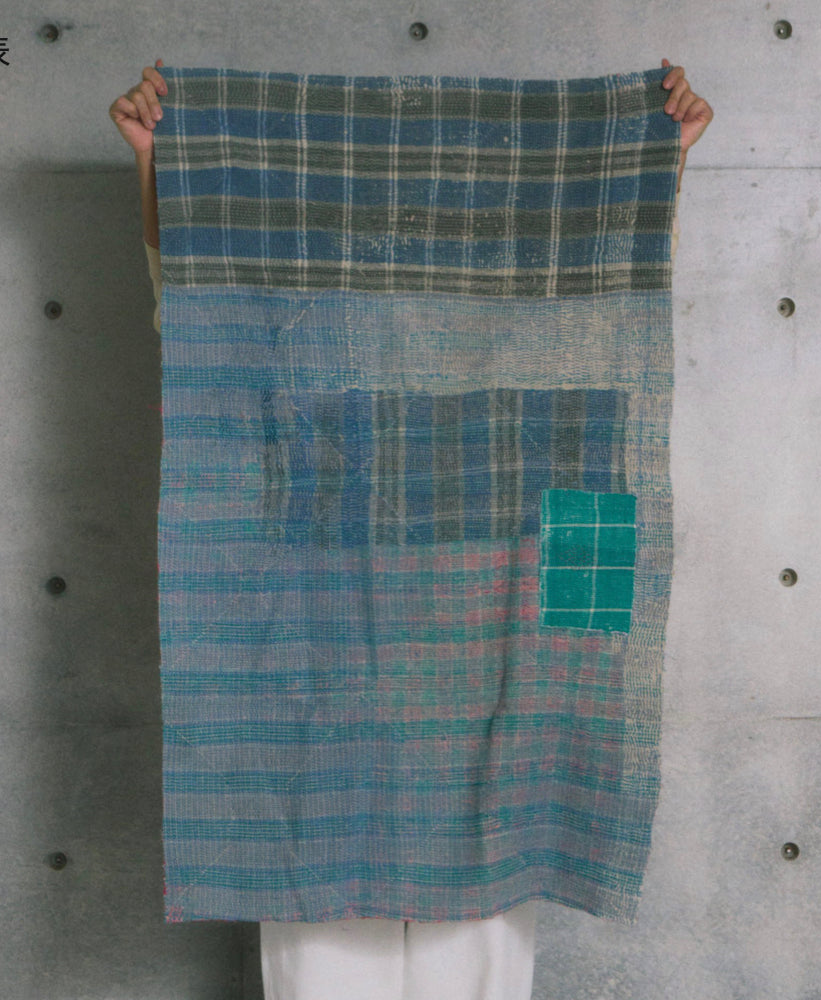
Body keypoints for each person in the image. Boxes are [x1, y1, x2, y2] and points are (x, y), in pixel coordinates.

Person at [109, 56, 712, 1000]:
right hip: (322, 665)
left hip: (497, 659)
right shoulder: (301, 325)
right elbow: (205, 321)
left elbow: (606, 322)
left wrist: (647, 156)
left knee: (478, 944)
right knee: (324, 951)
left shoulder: (539, 348)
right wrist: (163, 161)